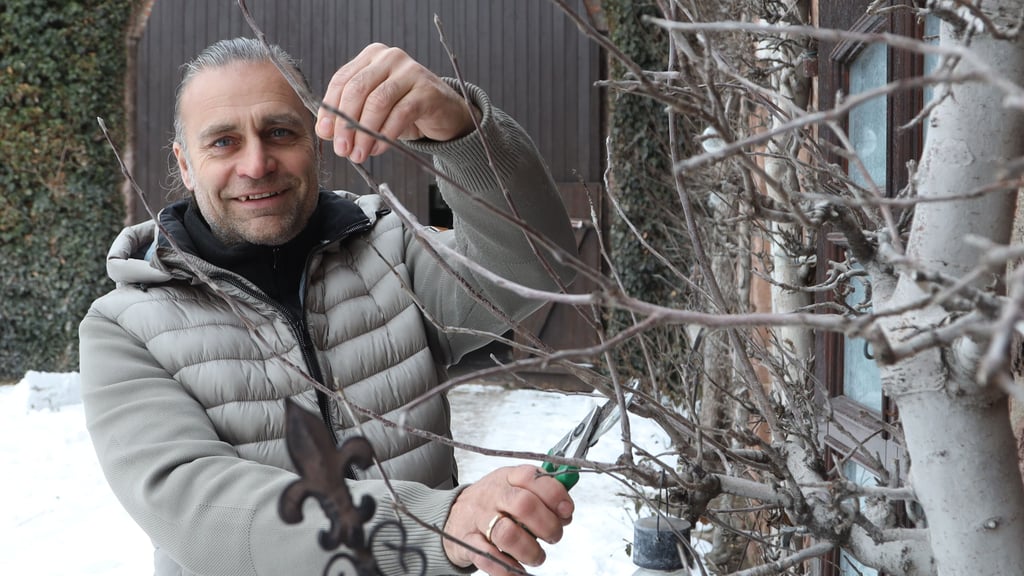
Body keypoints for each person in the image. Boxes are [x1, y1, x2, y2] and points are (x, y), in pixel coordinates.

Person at [80, 37, 578, 576]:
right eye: (223, 142)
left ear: (315, 142)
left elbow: (532, 269)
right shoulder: (123, 329)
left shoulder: (391, 253)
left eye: (279, 132)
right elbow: (202, 518)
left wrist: (461, 134)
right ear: (185, 163)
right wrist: (441, 523)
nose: (256, 163)